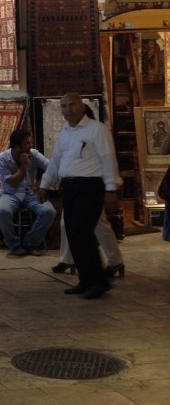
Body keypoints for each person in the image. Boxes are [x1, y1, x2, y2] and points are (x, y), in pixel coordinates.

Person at [38, 93, 121, 299]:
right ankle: (86, 280)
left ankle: (99, 281)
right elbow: (55, 161)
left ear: (82, 106)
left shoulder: (96, 129)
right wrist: (44, 185)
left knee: (82, 232)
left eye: (72, 105)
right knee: (73, 234)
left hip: (90, 186)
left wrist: (111, 189)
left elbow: (108, 158)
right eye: (64, 106)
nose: (68, 110)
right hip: (70, 187)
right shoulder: (64, 133)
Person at [0, 129, 55, 257]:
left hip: (30, 193)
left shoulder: (34, 154)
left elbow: (52, 168)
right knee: (2, 211)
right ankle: (14, 245)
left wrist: (40, 183)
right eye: (27, 144)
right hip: (10, 193)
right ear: (16, 146)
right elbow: (13, 183)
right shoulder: (2, 158)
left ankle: (30, 242)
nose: (30, 146)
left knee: (49, 212)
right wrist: (23, 165)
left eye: (30, 143)